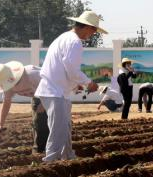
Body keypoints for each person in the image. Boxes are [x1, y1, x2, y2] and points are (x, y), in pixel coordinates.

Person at [35, 10, 104, 163]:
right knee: (58, 131)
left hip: (54, 90)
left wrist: (74, 85)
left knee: (64, 128)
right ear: (86, 27)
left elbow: (63, 68)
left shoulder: (63, 38)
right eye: (93, 30)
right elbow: (72, 70)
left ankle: (69, 159)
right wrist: (89, 83)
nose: (92, 34)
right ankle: (51, 163)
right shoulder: (75, 42)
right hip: (55, 92)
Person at [0, 61, 48, 153]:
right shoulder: (8, 85)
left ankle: (53, 150)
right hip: (37, 97)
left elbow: (51, 85)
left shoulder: (32, 75)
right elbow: (6, 103)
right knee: (38, 123)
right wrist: (0, 124)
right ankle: (39, 151)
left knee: (53, 123)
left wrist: (44, 104)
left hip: (54, 94)